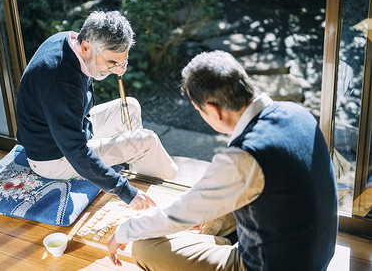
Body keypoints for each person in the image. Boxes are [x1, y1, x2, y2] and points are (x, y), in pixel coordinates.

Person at [107, 50, 338, 270]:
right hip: (316, 254)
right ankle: (212, 240)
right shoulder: (297, 113)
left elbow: (178, 214)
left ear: (213, 110)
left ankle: (216, 246)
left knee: (146, 248)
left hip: (268, 265)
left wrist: (123, 231)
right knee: (203, 205)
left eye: (199, 111)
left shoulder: (246, 155)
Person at [16, 10, 178, 210]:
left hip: (71, 130)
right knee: (147, 141)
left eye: (121, 61)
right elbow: (76, 151)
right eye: (112, 62)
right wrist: (123, 190)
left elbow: (82, 92)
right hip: (54, 158)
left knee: (132, 106)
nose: (117, 67)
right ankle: (170, 198)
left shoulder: (68, 40)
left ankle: (141, 178)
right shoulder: (60, 82)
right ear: (86, 47)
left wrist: (114, 65)